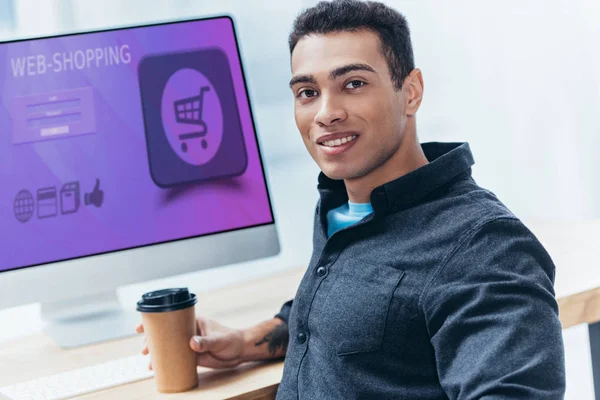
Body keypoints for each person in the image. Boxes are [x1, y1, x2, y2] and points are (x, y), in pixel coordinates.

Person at [136, 0, 566, 398]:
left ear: (411, 91)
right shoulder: (340, 206)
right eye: (308, 92)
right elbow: (354, 313)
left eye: (353, 83)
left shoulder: (482, 247)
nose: (326, 112)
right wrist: (246, 342)